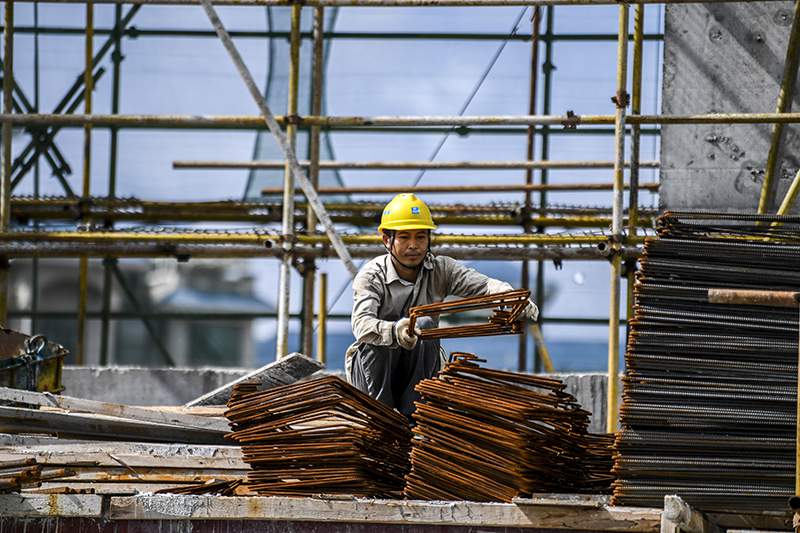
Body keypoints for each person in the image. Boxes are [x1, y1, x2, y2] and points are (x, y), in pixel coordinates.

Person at [345, 193, 538, 420]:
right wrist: (395, 331)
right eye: (404, 237)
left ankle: (415, 416)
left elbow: (483, 285)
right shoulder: (371, 275)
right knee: (376, 341)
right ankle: (381, 418)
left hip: (416, 372)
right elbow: (361, 325)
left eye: (420, 237)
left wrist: (510, 296)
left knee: (425, 325)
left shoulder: (441, 269)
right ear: (387, 239)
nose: (413, 245)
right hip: (372, 375)